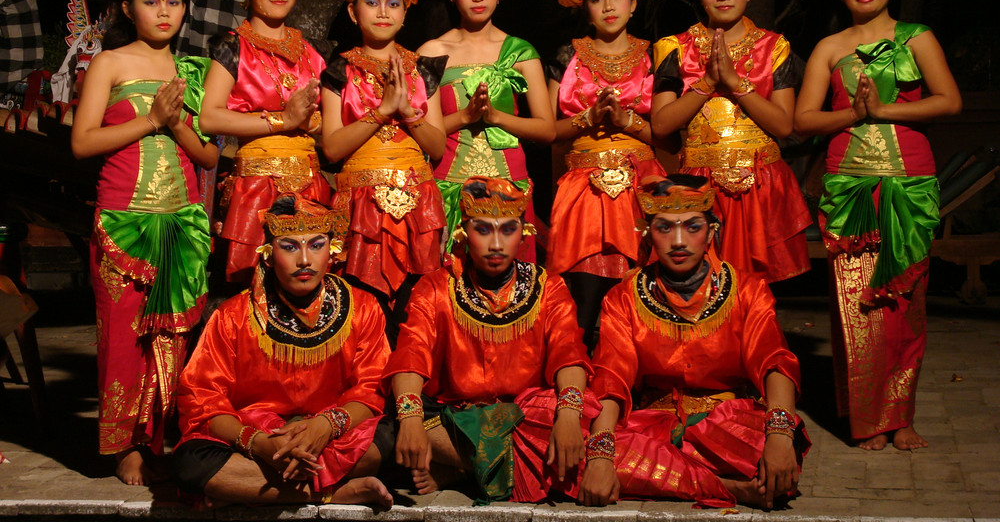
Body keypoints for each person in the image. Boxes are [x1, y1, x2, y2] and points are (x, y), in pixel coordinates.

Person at [794, 0, 961, 451]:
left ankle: (901, 415)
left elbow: (948, 101)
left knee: (905, 301)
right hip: (849, 186)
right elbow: (802, 121)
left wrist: (883, 111)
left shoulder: (917, 37)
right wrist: (855, 115)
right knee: (854, 304)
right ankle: (867, 420)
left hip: (908, 179)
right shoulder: (829, 48)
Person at [70, 0, 217, 485]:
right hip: (124, 218)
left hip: (181, 218)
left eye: (174, 1)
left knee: (177, 335)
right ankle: (124, 445)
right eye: (152, 1)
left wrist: (174, 125)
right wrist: (149, 121)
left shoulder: (191, 68)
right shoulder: (109, 63)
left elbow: (207, 157)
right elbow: (83, 143)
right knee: (123, 337)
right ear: (129, 8)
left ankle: (168, 436)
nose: (164, 11)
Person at [572, 175, 808, 509]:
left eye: (692, 227)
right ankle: (728, 488)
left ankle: (668, 476)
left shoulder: (748, 290)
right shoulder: (623, 297)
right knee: (577, 450)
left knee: (773, 441)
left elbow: (774, 362)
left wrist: (780, 435)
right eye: (665, 228)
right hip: (652, 426)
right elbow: (612, 379)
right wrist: (600, 454)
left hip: (727, 425)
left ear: (712, 231)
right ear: (648, 234)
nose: (679, 241)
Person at [173, 194, 393, 507]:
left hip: (331, 434)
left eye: (316, 245)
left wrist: (324, 427)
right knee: (190, 461)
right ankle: (333, 493)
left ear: (332, 252)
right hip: (257, 437)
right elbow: (202, 399)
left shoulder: (364, 308)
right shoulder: (233, 316)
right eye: (289, 247)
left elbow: (371, 389)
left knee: (392, 436)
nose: (305, 260)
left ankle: (250, 491)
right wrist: (260, 444)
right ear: (267, 254)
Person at [385, 177, 590, 503]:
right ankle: (488, 465)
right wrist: (410, 420)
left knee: (583, 410)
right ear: (463, 233)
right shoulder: (436, 287)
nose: (496, 244)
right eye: (484, 230)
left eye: (507, 230)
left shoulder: (548, 287)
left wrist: (567, 415)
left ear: (524, 232)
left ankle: (462, 469)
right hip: (452, 422)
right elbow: (412, 353)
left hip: (525, 419)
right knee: (395, 424)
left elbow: (569, 352)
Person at [651, 0, 810, 283]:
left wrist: (736, 83)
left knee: (757, 293)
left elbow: (784, 126)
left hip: (761, 182)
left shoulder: (774, 46)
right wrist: (707, 82)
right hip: (698, 184)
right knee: (701, 287)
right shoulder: (674, 47)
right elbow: (661, 125)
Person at [322, 0, 447, 336]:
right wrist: (381, 112)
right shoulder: (338, 69)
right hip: (360, 205)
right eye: (372, 2)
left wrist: (407, 112)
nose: (382, 11)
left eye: (393, 3)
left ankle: (409, 392)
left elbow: (438, 147)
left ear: (406, 13)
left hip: (418, 201)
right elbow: (332, 148)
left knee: (416, 306)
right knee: (362, 307)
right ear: (352, 11)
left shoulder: (423, 70)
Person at [417, 0, 555, 260]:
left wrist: (494, 117)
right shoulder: (431, 51)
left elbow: (547, 131)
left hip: (510, 187)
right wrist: (465, 118)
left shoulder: (521, 51)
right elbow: (423, 134)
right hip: (449, 187)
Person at [199, 0, 329, 282]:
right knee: (251, 293)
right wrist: (282, 120)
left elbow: (328, 125)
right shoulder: (232, 47)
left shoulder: (312, 53)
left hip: (309, 185)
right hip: (255, 189)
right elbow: (209, 117)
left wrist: (314, 122)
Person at [547, 0, 663, 351]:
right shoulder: (567, 57)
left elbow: (668, 132)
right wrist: (590, 118)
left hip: (640, 183)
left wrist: (627, 121)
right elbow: (549, 130)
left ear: (633, 4)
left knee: (642, 291)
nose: (609, 6)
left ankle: (632, 382)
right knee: (582, 300)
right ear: (586, 8)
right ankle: (575, 387)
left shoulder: (656, 57)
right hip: (583, 187)